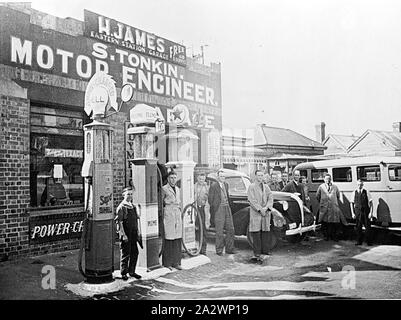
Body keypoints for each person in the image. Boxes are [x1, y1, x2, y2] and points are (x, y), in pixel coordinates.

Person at [115, 186, 142, 281]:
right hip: (126, 233)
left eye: (131, 194)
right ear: (123, 195)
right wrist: (123, 234)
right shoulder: (122, 207)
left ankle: (132, 271)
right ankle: (123, 273)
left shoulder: (133, 206)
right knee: (125, 253)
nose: (130, 196)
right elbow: (119, 222)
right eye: (128, 194)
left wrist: (137, 231)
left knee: (135, 252)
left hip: (134, 233)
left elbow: (136, 219)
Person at [208, 170, 238, 256]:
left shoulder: (226, 185)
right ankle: (219, 250)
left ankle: (229, 248)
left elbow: (227, 196)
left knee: (230, 229)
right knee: (219, 230)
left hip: (227, 207)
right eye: (221, 176)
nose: (222, 178)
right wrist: (216, 207)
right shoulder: (214, 186)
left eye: (224, 177)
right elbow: (210, 199)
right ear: (217, 177)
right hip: (219, 209)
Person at [247, 170, 274, 263]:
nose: (260, 177)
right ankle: (257, 253)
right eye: (258, 175)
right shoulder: (251, 187)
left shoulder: (266, 187)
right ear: (255, 176)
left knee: (265, 232)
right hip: (256, 213)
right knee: (256, 233)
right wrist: (260, 209)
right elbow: (251, 200)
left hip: (265, 213)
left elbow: (270, 197)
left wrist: (266, 208)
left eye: (262, 175)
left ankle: (265, 250)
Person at [161, 170, 183, 270]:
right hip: (168, 213)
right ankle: (167, 263)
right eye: (171, 178)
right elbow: (161, 202)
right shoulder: (164, 189)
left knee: (177, 238)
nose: (173, 180)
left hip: (177, 213)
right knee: (169, 238)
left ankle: (176, 262)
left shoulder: (178, 189)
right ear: (168, 179)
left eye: (174, 178)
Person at [316, 173, 346, 241]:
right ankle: (326, 236)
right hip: (324, 207)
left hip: (333, 207)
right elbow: (317, 196)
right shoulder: (321, 187)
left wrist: (333, 202)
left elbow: (338, 196)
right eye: (326, 179)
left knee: (334, 223)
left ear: (331, 179)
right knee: (325, 223)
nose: (328, 180)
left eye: (329, 179)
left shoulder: (335, 187)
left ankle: (334, 237)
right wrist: (323, 203)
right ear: (324, 179)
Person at [350, 179, 374, 246]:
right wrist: (352, 213)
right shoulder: (354, 192)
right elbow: (351, 203)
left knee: (368, 227)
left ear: (363, 185)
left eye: (361, 185)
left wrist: (371, 213)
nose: (359, 186)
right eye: (358, 185)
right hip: (358, 212)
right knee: (358, 227)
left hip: (366, 212)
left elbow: (371, 203)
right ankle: (359, 241)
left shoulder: (366, 192)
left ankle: (369, 242)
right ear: (357, 185)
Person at [194, 172, 209, 255]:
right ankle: (196, 248)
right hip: (195, 209)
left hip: (203, 210)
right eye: (200, 179)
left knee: (203, 230)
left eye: (203, 179)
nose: (201, 181)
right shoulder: (193, 187)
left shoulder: (207, 187)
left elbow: (209, 199)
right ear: (197, 178)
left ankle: (203, 249)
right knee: (196, 229)